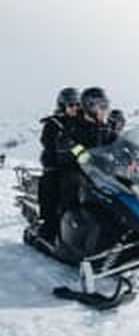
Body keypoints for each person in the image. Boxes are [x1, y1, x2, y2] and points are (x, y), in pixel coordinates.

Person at [58, 87, 116, 214]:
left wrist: (131, 156)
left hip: (101, 173)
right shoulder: (74, 126)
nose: (104, 110)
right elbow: (66, 142)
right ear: (89, 107)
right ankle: (70, 219)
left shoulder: (105, 129)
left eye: (105, 106)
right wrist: (80, 153)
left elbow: (118, 143)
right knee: (75, 182)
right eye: (101, 106)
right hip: (77, 170)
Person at [37, 87, 82, 241]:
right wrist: (69, 149)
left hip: (78, 166)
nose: (75, 108)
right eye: (71, 105)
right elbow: (50, 143)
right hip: (56, 165)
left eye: (77, 105)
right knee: (51, 185)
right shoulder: (53, 124)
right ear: (63, 106)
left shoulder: (81, 122)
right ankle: (49, 225)